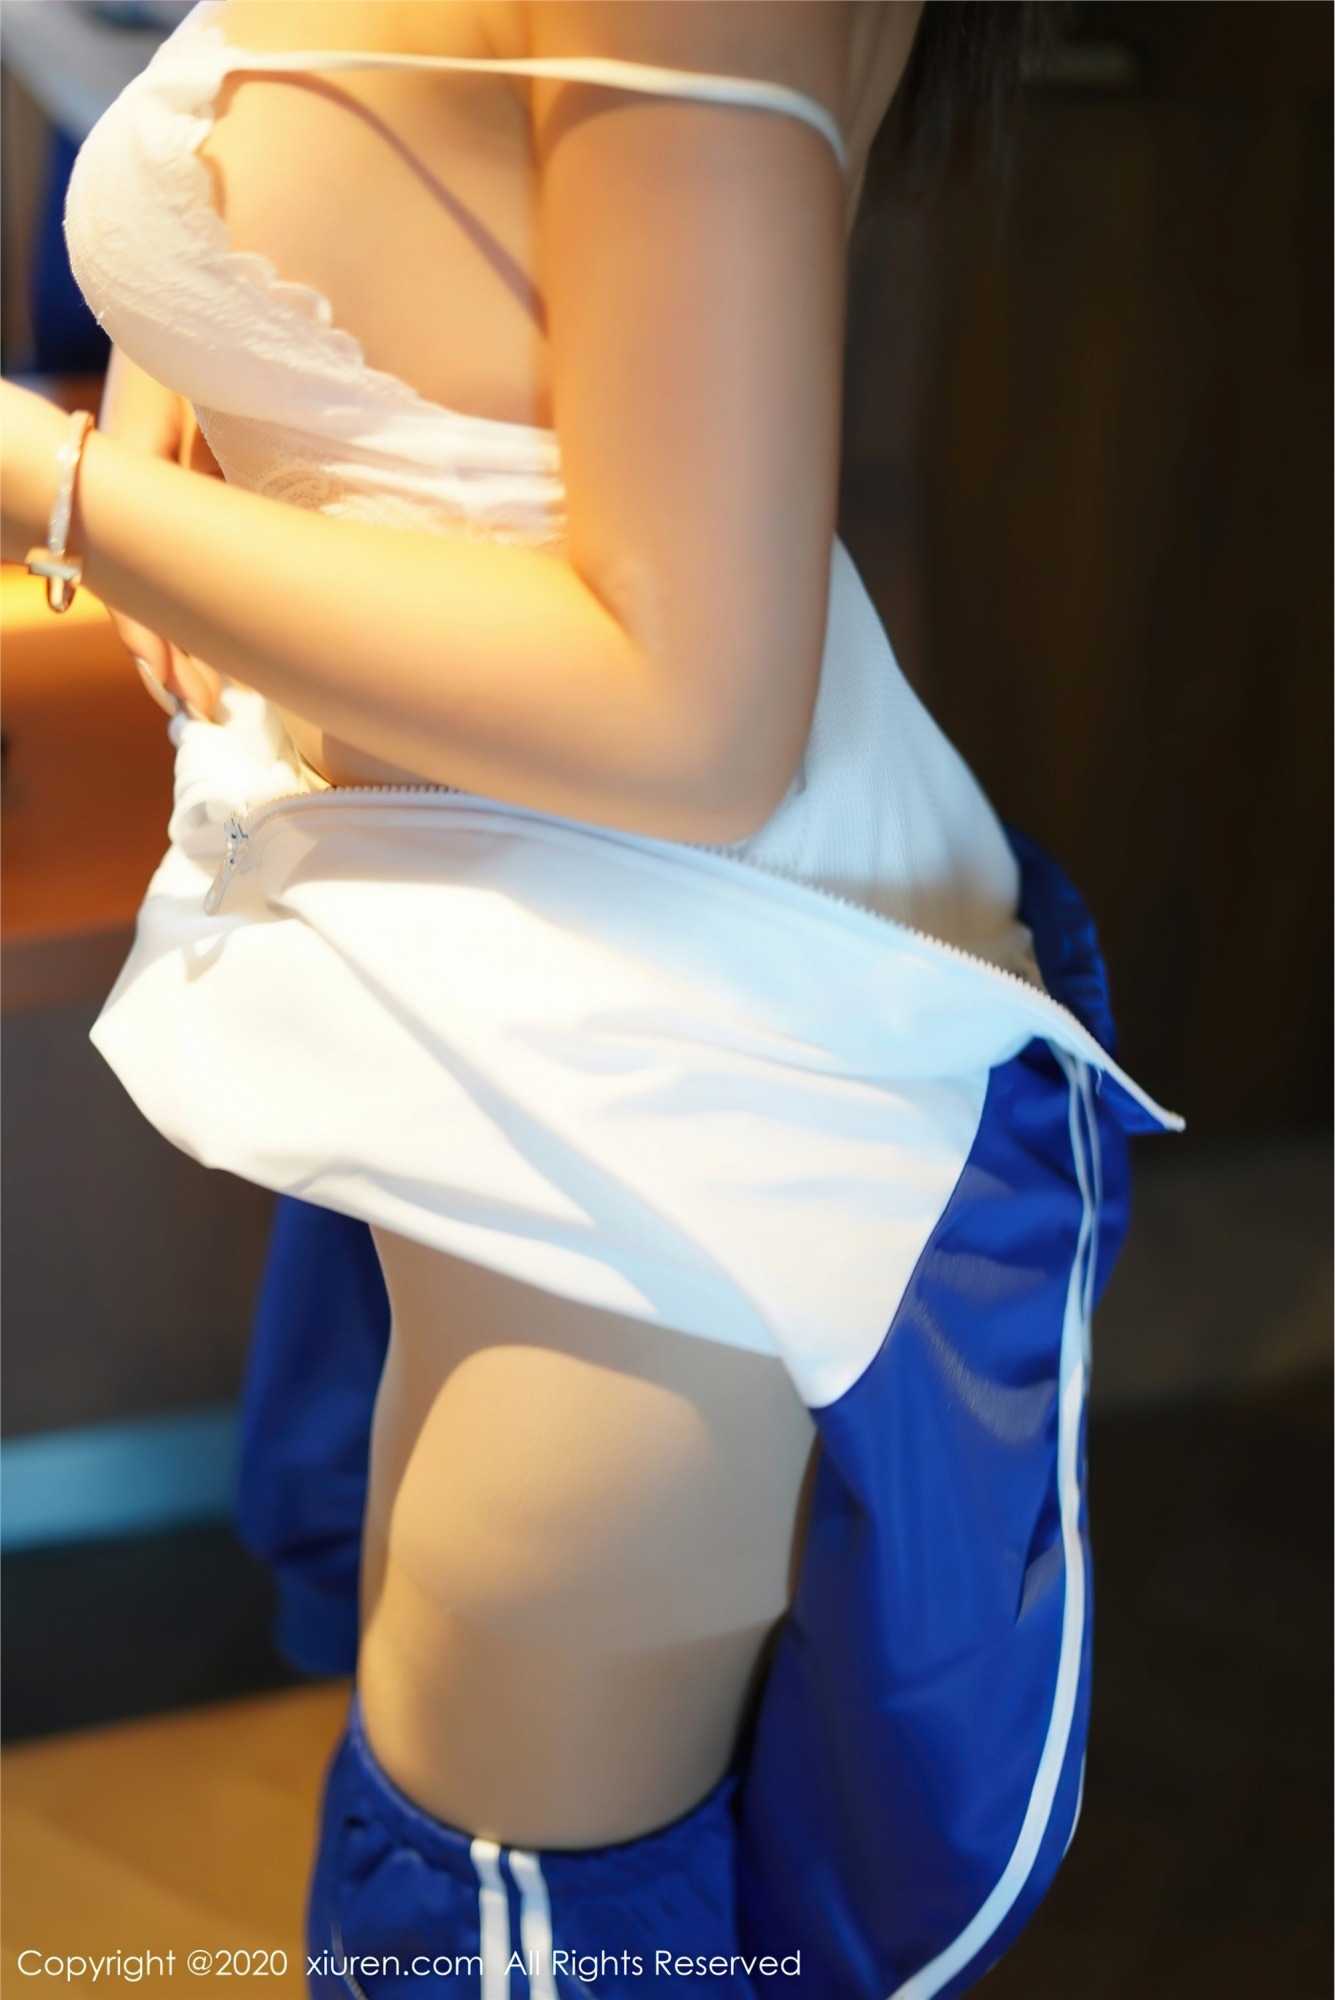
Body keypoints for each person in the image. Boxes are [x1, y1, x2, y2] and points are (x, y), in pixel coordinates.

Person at [0, 3, 1184, 1993]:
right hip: (507, 1078)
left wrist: (55, 494)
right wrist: (167, 359)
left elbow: (688, 708)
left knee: (491, 1933)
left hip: (642, 1168)